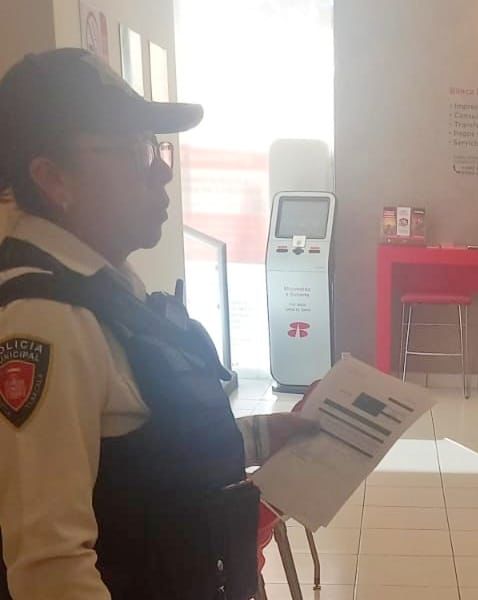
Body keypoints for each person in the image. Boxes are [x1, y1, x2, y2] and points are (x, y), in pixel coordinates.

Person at [0, 49, 317, 599]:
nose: (163, 169)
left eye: (155, 145)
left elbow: (141, 458)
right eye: (136, 150)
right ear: (53, 179)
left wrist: (262, 436)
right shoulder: (46, 320)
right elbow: (51, 567)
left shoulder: (108, 287)